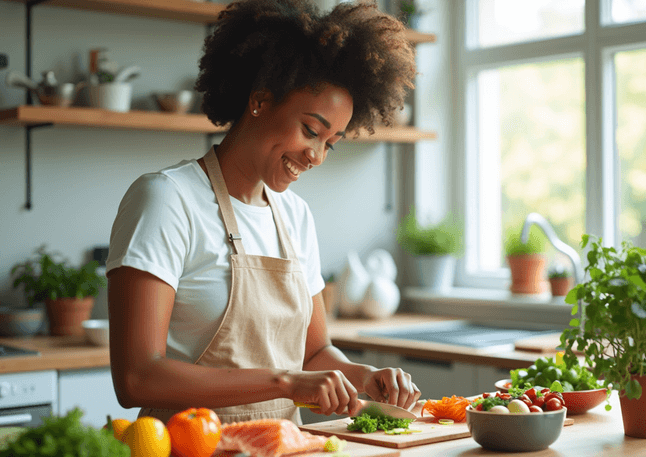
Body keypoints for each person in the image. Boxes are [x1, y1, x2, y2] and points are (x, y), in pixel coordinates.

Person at [106, 0, 419, 425]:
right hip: (189, 448)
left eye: (331, 142)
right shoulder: (166, 199)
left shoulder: (295, 216)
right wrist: (286, 383)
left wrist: (362, 376)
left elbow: (313, 353)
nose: (317, 156)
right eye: (311, 130)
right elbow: (137, 378)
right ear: (260, 101)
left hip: (284, 446)